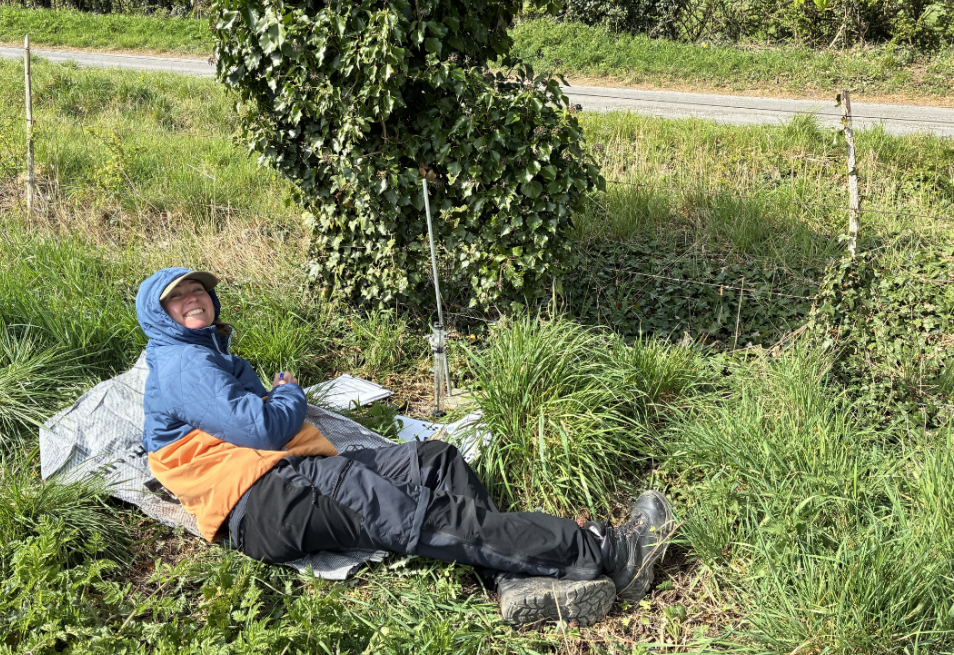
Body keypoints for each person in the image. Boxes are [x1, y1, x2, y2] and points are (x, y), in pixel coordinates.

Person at [136, 267, 677, 626]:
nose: (192, 300)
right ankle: (609, 554)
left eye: (197, 291)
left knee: (433, 460)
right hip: (266, 500)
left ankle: (513, 580)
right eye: (177, 298)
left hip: (291, 474)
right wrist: (289, 392)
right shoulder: (184, 363)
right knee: (421, 517)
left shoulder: (202, 354)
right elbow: (264, 429)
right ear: (159, 316)